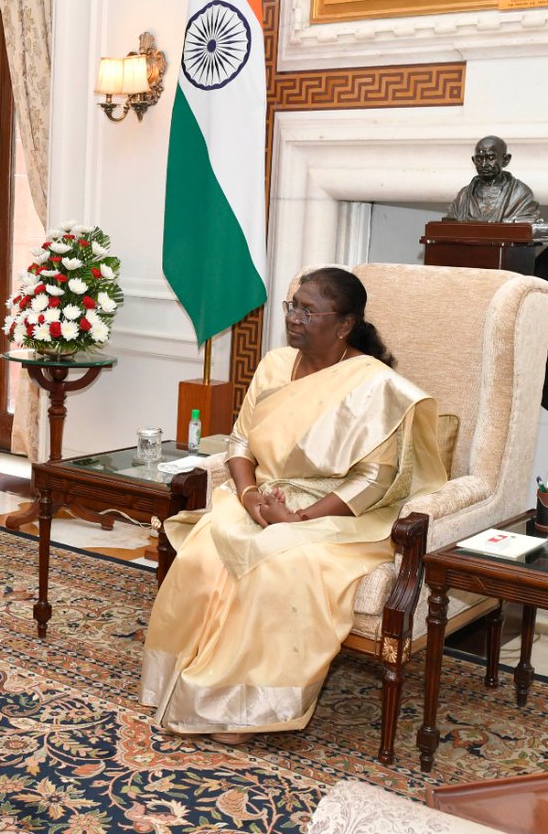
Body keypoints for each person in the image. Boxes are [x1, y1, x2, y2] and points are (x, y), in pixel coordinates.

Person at [141, 267, 447, 743]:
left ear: (344, 324)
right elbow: (241, 440)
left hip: (338, 515)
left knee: (277, 562)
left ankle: (244, 708)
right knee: (206, 548)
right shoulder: (274, 365)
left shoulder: (376, 385)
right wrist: (248, 497)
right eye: (293, 306)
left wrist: (299, 517)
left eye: (309, 310)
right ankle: (184, 682)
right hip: (259, 496)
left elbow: (375, 478)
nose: (295, 318)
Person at [443, 135, 541, 223]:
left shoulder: (520, 194)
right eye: (479, 159)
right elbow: (450, 222)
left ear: (506, 159)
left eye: (491, 157)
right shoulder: (463, 196)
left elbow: (524, 223)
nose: (484, 164)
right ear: (473, 160)